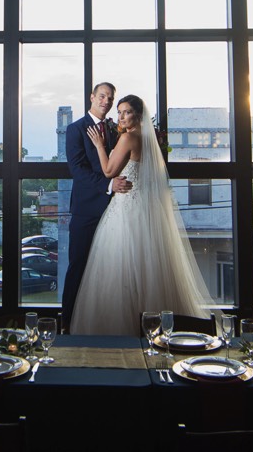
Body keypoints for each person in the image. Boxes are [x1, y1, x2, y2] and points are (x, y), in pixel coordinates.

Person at [70, 94, 211, 335]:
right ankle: (161, 329)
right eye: (120, 112)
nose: (121, 117)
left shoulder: (127, 138)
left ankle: (118, 333)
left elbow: (107, 171)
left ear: (137, 115)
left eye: (126, 112)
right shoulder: (148, 139)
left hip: (125, 209)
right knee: (146, 267)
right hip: (143, 209)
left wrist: (98, 146)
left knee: (119, 267)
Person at [62, 82, 133, 330]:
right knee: (78, 267)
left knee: (111, 269)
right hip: (86, 211)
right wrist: (108, 185)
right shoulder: (75, 129)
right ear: (92, 97)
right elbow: (78, 171)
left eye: (110, 98)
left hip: (117, 211)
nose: (106, 101)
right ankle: (68, 326)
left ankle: (102, 325)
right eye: (102, 96)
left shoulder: (116, 130)